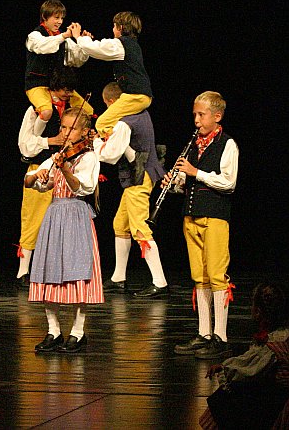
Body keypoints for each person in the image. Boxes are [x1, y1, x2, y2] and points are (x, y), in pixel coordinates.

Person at [166, 91, 239, 359]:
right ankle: (204, 333)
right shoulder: (193, 144)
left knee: (217, 274)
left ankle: (221, 337)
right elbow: (187, 183)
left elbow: (228, 182)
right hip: (191, 216)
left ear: (217, 116)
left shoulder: (227, 144)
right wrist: (174, 182)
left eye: (201, 115)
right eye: (195, 114)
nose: (196, 120)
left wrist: (196, 173)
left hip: (215, 216)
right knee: (200, 276)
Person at [25, 107, 103, 353]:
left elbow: (84, 188)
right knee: (49, 273)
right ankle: (53, 330)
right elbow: (42, 183)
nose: (66, 133)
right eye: (63, 128)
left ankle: (78, 333)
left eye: (71, 129)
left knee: (78, 274)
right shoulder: (57, 155)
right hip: (55, 214)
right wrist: (32, 177)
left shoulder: (89, 157)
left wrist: (66, 169)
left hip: (76, 215)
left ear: (84, 132)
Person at [17, 67, 93, 281]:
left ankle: (62, 267)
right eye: (64, 90)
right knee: (33, 219)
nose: (68, 95)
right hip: (40, 166)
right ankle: (23, 269)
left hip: (67, 169)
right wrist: (50, 141)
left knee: (62, 222)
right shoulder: (36, 109)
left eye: (71, 91)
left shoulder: (73, 108)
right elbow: (25, 146)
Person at [94, 82, 168, 297]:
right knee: (121, 224)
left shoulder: (125, 122)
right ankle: (119, 278)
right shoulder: (141, 113)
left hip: (139, 176)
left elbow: (110, 154)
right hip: (140, 175)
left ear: (112, 103)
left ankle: (160, 282)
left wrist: (97, 142)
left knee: (139, 228)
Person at [199, 282, 289, 429]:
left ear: (258, 312)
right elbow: (249, 359)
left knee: (225, 398)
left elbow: (249, 368)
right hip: (276, 396)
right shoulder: (280, 335)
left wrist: (225, 368)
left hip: (277, 401)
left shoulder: (273, 344)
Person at [71, 12, 152, 138]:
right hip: (141, 95)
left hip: (135, 95)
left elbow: (96, 49)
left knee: (102, 124)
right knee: (117, 123)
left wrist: (79, 37)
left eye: (114, 26)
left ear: (120, 28)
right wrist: (87, 41)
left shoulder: (121, 44)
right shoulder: (133, 45)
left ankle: (124, 152)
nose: (113, 30)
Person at [25, 0, 89, 122]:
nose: (60, 22)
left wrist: (83, 44)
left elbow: (77, 61)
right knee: (46, 111)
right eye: (56, 18)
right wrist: (63, 36)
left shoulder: (64, 40)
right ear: (45, 17)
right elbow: (43, 46)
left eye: (62, 18)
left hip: (58, 87)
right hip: (37, 84)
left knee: (86, 111)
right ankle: (36, 140)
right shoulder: (34, 36)